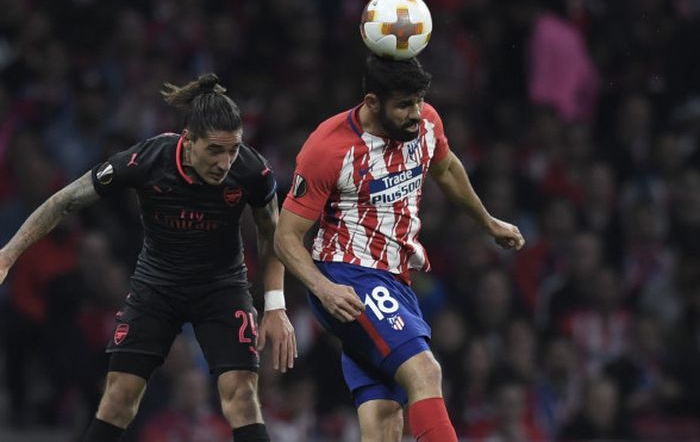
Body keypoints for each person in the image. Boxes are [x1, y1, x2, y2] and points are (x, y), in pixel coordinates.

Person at [0, 73, 296, 442]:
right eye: (215, 150)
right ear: (188, 142)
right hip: (158, 286)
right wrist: (7, 255)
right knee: (119, 399)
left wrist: (275, 305)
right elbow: (65, 201)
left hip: (221, 287)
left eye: (233, 149)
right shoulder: (146, 159)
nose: (225, 162)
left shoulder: (252, 171)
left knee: (242, 397)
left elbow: (273, 234)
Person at [274, 54, 525, 442]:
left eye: (419, 101)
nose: (415, 113)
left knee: (385, 420)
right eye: (404, 105)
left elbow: (446, 168)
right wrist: (324, 289)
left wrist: (488, 222)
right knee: (425, 372)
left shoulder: (425, 123)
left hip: (396, 279)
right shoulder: (329, 147)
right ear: (373, 102)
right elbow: (285, 236)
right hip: (347, 276)